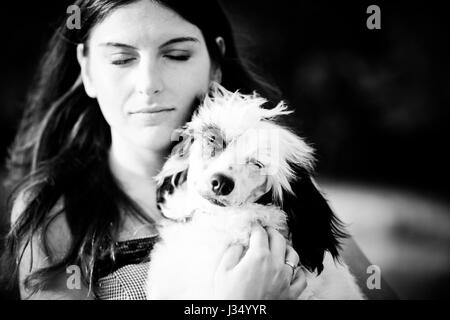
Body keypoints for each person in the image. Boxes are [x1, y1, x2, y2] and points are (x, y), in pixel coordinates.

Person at [0, 0, 312, 300]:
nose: (148, 83)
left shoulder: (274, 181)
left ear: (215, 64)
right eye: (121, 59)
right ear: (87, 68)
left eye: (176, 55)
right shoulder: (54, 210)